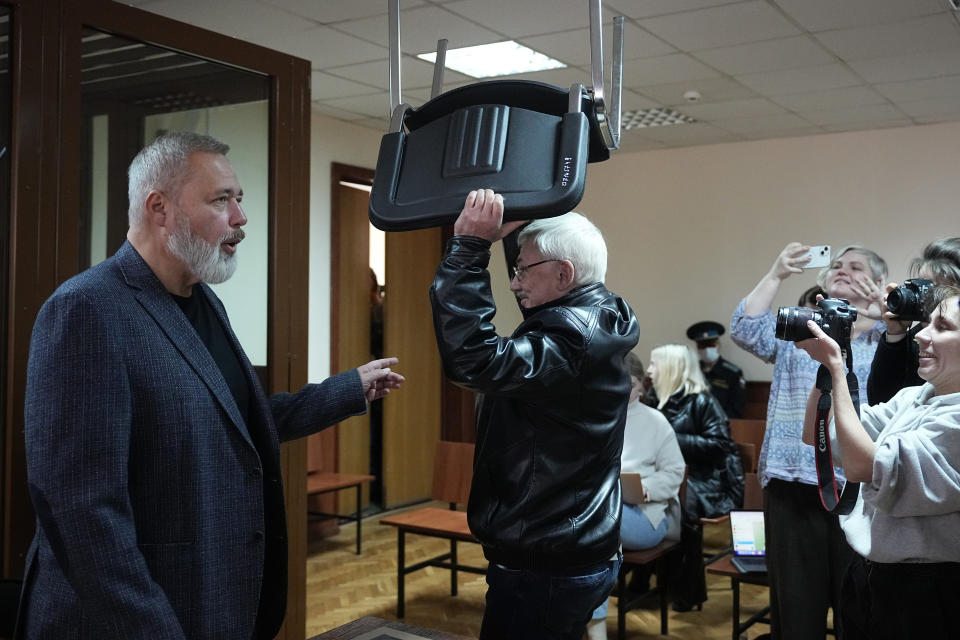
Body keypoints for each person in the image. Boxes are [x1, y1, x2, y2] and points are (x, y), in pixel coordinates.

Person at [15, 132, 404, 640]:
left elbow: (229, 420)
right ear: (160, 208)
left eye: (238, 199)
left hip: (210, 600)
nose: (241, 218)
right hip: (133, 617)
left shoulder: (201, 301)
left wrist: (343, 391)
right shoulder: (87, 310)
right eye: (222, 200)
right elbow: (82, 512)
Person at [429, 189, 639, 640]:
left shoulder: (571, 336)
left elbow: (475, 360)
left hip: (547, 558)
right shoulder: (598, 319)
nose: (514, 281)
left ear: (564, 273)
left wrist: (469, 247)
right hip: (569, 545)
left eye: (523, 269)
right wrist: (509, 233)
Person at [730, 242, 887, 640]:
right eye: (837, 266)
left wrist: (885, 314)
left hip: (860, 490)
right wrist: (777, 272)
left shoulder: (890, 340)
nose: (843, 270)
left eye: (856, 267)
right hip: (791, 482)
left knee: (860, 609)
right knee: (797, 612)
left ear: (880, 282)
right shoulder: (801, 329)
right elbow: (745, 327)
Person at [796, 284, 960, 640]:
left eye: (942, 327)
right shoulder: (916, 397)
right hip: (870, 573)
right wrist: (828, 366)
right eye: (926, 323)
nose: (922, 336)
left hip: (927, 590)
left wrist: (838, 370)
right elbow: (817, 432)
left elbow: (864, 467)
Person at [585, 352, 685, 640]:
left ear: (641, 385)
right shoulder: (598, 416)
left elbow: (674, 473)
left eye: (628, 384)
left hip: (647, 516)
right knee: (595, 532)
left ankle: (594, 626)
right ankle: (579, 616)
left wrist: (645, 488)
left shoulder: (656, 422)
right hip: (604, 510)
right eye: (615, 383)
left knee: (598, 527)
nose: (622, 390)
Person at [647, 343, 744, 611]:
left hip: (708, 481)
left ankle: (688, 591)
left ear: (671, 369)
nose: (649, 371)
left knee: (680, 508)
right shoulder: (655, 400)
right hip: (676, 476)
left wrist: (671, 440)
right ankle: (647, 579)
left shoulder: (702, 401)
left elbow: (720, 446)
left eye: (654, 364)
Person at [868, 237, 960, 404]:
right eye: (919, 285)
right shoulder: (918, 335)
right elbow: (881, 401)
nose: (921, 295)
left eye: (931, 287)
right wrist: (895, 335)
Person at [686, 320, 748, 418]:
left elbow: (736, 409)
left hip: (722, 425)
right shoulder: (690, 371)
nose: (706, 349)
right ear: (697, 348)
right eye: (702, 345)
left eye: (711, 345)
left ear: (718, 345)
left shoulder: (733, 373)